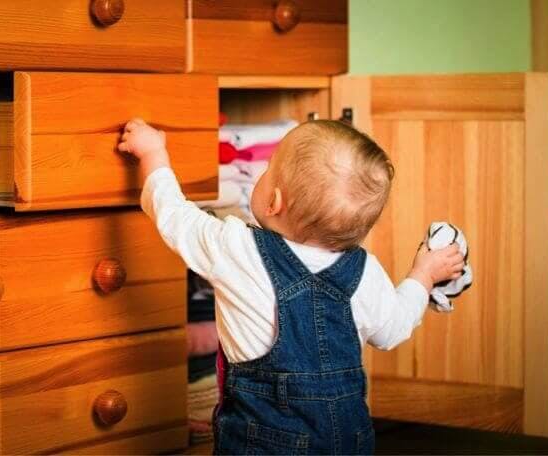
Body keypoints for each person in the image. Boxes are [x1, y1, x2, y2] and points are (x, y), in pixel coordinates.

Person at [118, 118, 464, 455]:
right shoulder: (365, 271)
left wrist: (153, 153)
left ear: (274, 202)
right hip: (349, 440)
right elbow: (393, 328)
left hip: (261, 442)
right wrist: (423, 276)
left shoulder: (238, 249)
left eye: (267, 168)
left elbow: (173, 215)